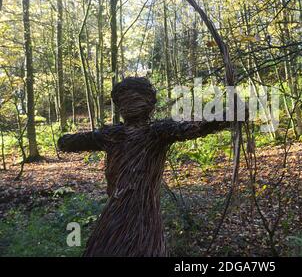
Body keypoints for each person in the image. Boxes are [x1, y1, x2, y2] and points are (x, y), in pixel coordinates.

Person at [58, 77, 245, 257]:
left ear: (149, 103)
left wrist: (228, 115)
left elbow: (194, 126)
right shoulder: (113, 135)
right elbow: (76, 141)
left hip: (143, 216)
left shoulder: (156, 132)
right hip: (117, 213)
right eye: (124, 99)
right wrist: (64, 142)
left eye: (135, 98)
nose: (130, 104)